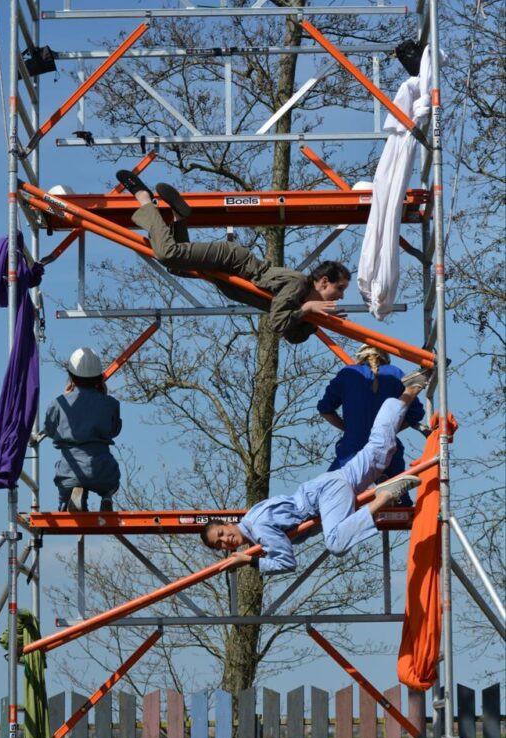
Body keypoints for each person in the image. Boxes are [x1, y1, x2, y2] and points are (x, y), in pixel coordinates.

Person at [200, 382, 426, 574]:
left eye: (221, 534)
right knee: (380, 449)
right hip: (327, 485)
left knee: (336, 543)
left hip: (323, 496)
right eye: (220, 545)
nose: (225, 541)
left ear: (228, 524)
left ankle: (383, 497)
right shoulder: (252, 516)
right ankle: (407, 392)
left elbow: (286, 563)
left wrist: (248, 561)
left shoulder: (259, 529)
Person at [116, 170, 351, 344]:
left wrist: (313, 322)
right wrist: (308, 309)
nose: (340, 296)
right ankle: (144, 197)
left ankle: (179, 216)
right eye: (339, 288)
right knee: (168, 254)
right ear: (323, 282)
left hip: (226, 273)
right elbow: (277, 321)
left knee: (177, 267)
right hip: (229, 260)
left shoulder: (301, 302)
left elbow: (290, 335)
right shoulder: (298, 284)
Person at [317, 344, 425, 505]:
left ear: (360, 356)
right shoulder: (395, 373)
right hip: (388, 454)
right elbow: (416, 413)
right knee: (400, 501)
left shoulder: (348, 374)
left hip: (352, 451)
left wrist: (348, 428)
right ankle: (389, 493)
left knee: (324, 497)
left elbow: (325, 409)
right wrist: (391, 428)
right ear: (385, 358)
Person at [44, 347, 122, 512]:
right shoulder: (111, 404)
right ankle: (106, 497)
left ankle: (70, 499)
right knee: (112, 483)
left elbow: (50, 430)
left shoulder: (59, 404)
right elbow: (114, 430)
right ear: (99, 378)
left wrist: (65, 399)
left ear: (71, 377)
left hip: (70, 470)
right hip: (103, 470)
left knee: (65, 496)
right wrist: (104, 397)